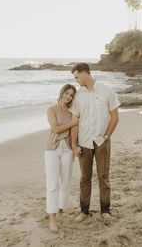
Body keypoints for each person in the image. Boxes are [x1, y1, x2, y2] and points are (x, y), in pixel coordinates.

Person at [70, 63, 120, 222]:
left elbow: (115, 117)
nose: (76, 81)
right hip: (84, 141)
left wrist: (106, 137)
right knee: (85, 177)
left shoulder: (107, 90)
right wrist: (74, 144)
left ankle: (105, 210)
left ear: (85, 74)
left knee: (103, 176)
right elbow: (74, 121)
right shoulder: (78, 96)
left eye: (77, 77)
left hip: (102, 141)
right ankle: (84, 211)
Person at [45, 84, 78, 232]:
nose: (68, 97)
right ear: (62, 93)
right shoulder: (51, 109)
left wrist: (75, 146)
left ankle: (60, 210)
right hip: (52, 149)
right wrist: (72, 123)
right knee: (52, 185)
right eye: (66, 93)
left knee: (64, 183)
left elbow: (74, 130)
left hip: (68, 150)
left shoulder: (73, 112)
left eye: (71, 95)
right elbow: (56, 128)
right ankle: (52, 219)